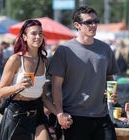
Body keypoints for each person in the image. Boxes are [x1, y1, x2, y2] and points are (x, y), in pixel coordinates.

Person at [48, 6, 119, 140]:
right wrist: (60, 113)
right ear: (77, 25)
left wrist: (113, 93)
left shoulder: (105, 49)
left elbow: (110, 77)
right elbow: (56, 86)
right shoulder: (64, 50)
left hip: (102, 116)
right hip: (74, 117)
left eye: (95, 21)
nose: (93, 25)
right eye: (88, 22)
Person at [0, 19, 56, 140]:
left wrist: (59, 114)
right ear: (24, 37)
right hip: (17, 115)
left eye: (40, 33)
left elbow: (44, 97)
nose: (38, 37)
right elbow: (1, 91)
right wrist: (17, 86)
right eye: (33, 33)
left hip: (37, 112)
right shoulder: (16, 59)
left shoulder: (44, 61)